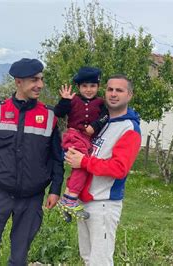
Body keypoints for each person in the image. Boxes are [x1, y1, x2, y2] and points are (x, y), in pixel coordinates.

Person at [0, 58, 64, 266]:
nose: (40, 85)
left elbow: (56, 158)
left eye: (41, 79)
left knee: (19, 259)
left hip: (32, 198)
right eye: (34, 80)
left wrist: (55, 189)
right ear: (18, 82)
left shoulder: (49, 116)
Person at [65, 74, 141, 265]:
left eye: (119, 90)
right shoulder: (103, 123)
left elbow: (119, 168)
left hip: (104, 204)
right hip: (87, 201)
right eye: (110, 89)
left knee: (100, 261)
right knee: (88, 258)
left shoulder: (129, 128)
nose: (113, 94)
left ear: (129, 95)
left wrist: (83, 162)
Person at [53, 66, 108, 221]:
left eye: (92, 86)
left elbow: (105, 117)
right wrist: (64, 100)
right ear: (78, 87)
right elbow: (58, 113)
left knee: (81, 168)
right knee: (82, 167)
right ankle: (70, 200)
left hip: (88, 139)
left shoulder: (100, 103)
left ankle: (66, 200)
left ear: (98, 87)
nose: (89, 90)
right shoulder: (73, 100)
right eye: (84, 86)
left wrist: (95, 126)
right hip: (74, 136)